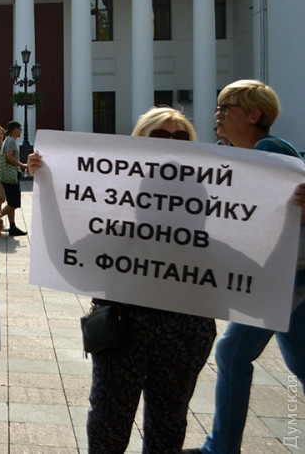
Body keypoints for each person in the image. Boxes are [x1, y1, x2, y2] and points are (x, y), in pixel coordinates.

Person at [29, 106, 217, 453]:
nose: (171, 143)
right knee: (108, 423)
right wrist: (48, 184)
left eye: (180, 138)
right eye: (160, 136)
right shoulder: (115, 190)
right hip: (123, 324)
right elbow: (71, 253)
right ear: (139, 142)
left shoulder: (210, 189)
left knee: (168, 423)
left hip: (185, 327)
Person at [183, 80, 305, 454]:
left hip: (285, 277)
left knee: (232, 353)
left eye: (226, 107)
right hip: (282, 279)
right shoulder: (241, 154)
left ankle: (220, 448)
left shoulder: (268, 150)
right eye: (217, 107)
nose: (217, 115)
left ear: (254, 114)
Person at [0, 120, 28, 236]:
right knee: (14, 203)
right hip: (10, 176)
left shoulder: (6, 140)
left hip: (7, 176)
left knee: (11, 203)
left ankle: (13, 227)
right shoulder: (11, 141)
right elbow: (9, 158)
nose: (21, 132)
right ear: (15, 129)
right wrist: (22, 165)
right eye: (20, 129)